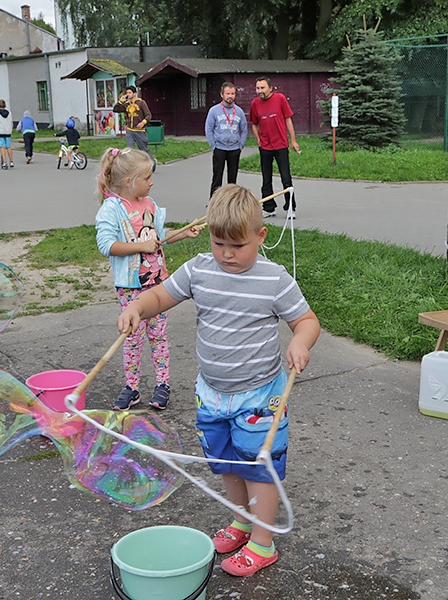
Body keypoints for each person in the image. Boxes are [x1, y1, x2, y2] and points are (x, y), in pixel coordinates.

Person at [117, 184, 320, 576]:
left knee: (259, 469)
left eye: (238, 245)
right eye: (218, 242)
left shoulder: (274, 280)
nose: (227, 254)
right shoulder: (198, 269)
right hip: (212, 394)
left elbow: (307, 321)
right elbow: (160, 296)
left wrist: (300, 342)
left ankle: (263, 543)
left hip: (261, 396)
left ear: (260, 237)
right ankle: (241, 521)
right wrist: (137, 308)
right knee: (227, 462)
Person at [95, 147, 201, 410]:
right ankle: (132, 387)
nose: (152, 181)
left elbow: (159, 235)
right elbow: (106, 245)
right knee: (132, 337)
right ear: (130, 181)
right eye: (147, 177)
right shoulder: (112, 209)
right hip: (131, 288)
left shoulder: (150, 205)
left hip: (157, 283)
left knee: (158, 336)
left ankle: (162, 384)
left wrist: (183, 233)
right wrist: (140, 247)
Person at [249, 77, 299, 219]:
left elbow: (288, 119)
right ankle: (269, 207)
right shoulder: (255, 103)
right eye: (258, 88)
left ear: (270, 88)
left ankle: (290, 208)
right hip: (265, 146)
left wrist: (293, 141)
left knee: (286, 178)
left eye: (262, 88)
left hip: (281, 145)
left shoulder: (280, 99)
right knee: (266, 179)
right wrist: (258, 140)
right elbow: (254, 123)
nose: (260, 91)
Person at [206, 82, 248, 198]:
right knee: (217, 177)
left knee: (232, 178)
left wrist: (241, 145)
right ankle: (214, 202)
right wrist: (213, 146)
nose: (230, 96)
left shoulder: (239, 111)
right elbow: (208, 129)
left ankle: (231, 202)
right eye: (228, 93)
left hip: (234, 149)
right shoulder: (214, 111)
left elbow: (244, 129)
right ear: (222, 94)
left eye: (233, 93)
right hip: (219, 148)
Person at [113, 86, 152, 156]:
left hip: (139, 131)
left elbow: (148, 115)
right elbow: (116, 109)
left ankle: (151, 163)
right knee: (129, 150)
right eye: (127, 93)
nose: (128, 94)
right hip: (130, 130)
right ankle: (131, 164)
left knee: (143, 150)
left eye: (130, 92)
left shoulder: (141, 103)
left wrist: (143, 122)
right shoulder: (127, 104)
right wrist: (120, 101)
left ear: (134, 93)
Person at [0, 99, 14, 170]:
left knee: (2, 146)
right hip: (8, 131)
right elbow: (11, 122)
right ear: (5, 106)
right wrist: (10, 128)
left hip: (1, 131)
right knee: (8, 146)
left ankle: (5, 162)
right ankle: (11, 161)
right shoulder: (9, 113)